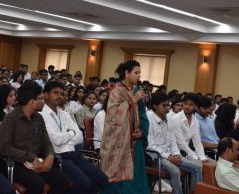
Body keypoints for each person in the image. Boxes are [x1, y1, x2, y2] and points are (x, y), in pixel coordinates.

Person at [0, 81, 68, 194]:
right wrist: (30, 157)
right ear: (31, 100)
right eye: (41, 98)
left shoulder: (38, 118)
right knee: (37, 183)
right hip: (15, 163)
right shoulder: (11, 118)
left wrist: (50, 156)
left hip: (35, 161)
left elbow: (46, 142)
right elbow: (3, 147)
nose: (44, 102)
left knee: (62, 180)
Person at [40, 81, 108, 194]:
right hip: (59, 157)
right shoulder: (41, 115)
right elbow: (56, 140)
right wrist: (71, 133)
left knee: (102, 179)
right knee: (84, 183)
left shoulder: (64, 114)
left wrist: (67, 136)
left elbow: (80, 137)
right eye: (55, 93)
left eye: (62, 94)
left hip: (74, 153)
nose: (59, 96)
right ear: (46, 95)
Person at [100, 60, 150, 194]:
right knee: (118, 179)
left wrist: (142, 131)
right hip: (118, 141)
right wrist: (132, 100)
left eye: (140, 73)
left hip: (134, 141)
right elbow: (113, 116)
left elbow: (143, 115)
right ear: (127, 73)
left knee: (137, 176)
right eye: (136, 72)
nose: (139, 76)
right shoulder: (116, 91)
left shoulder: (137, 90)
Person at [147, 93, 203, 193]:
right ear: (155, 106)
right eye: (163, 105)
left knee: (198, 166)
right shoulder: (149, 118)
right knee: (175, 171)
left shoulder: (167, 118)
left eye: (168, 105)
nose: (167, 108)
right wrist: (168, 157)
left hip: (171, 154)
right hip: (157, 157)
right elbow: (150, 145)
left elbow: (173, 141)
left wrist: (176, 154)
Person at [169, 93, 208, 162]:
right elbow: (180, 143)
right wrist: (195, 157)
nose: (187, 106)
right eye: (185, 104)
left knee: (212, 164)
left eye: (190, 105)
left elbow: (197, 142)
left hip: (187, 153)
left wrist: (202, 157)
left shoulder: (195, 121)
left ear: (195, 107)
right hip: (175, 152)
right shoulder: (176, 118)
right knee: (198, 166)